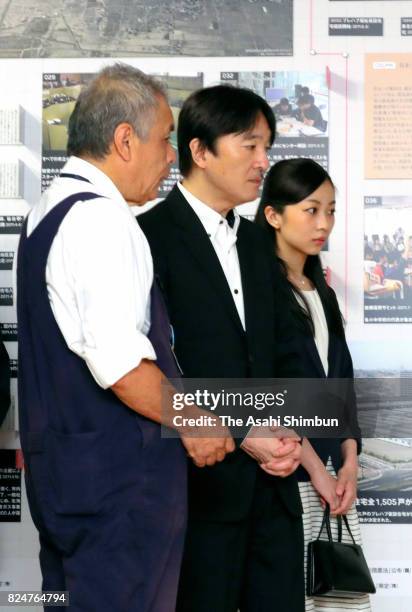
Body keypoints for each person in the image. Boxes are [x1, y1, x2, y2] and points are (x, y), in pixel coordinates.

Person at [16, 64, 233, 612]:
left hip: (69, 478)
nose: (170, 158)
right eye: (165, 140)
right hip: (120, 491)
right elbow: (119, 364)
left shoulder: (47, 211)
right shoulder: (103, 221)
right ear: (124, 140)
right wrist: (196, 422)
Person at [138, 84, 304, 612]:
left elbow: (281, 349)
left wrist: (294, 434)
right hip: (196, 492)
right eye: (250, 146)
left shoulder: (259, 242)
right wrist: (241, 429)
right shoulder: (147, 238)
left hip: (274, 489)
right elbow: (153, 364)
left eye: (267, 147)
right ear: (201, 152)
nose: (264, 161)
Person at [255, 158, 370, 612]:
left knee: (339, 600)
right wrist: (315, 469)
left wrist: (349, 460)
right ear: (273, 215)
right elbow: (261, 391)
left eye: (331, 210)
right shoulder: (260, 290)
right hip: (286, 472)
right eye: (311, 209)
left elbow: (341, 382)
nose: (324, 223)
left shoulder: (320, 288)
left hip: (331, 477)